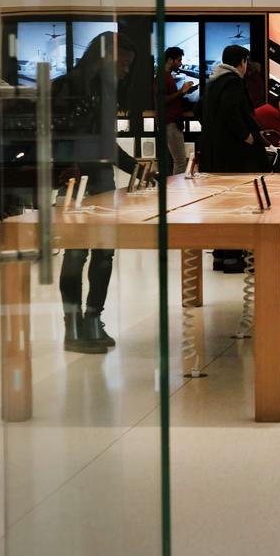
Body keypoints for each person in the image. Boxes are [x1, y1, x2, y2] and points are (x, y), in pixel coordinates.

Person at [52, 32, 140, 354]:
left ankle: (92, 320)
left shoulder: (104, 90)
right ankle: (75, 325)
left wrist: (138, 168)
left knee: (102, 252)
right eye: (124, 63)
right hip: (76, 181)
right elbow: (59, 135)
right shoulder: (70, 86)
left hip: (99, 178)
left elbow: (106, 143)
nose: (126, 71)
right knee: (78, 252)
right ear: (107, 57)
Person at [200, 44, 266, 273]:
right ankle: (232, 256)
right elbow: (232, 111)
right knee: (236, 204)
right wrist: (246, 135)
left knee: (221, 206)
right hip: (232, 156)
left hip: (215, 155)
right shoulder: (232, 82)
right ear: (242, 61)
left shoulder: (214, 82)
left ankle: (220, 254)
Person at [161, 46, 195, 174]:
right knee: (180, 161)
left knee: (178, 160)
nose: (180, 63)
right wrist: (182, 91)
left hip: (172, 122)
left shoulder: (167, 76)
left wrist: (185, 92)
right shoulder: (162, 76)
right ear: (170, 60)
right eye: (179, 60)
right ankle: (178, 192)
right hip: (170, 123)